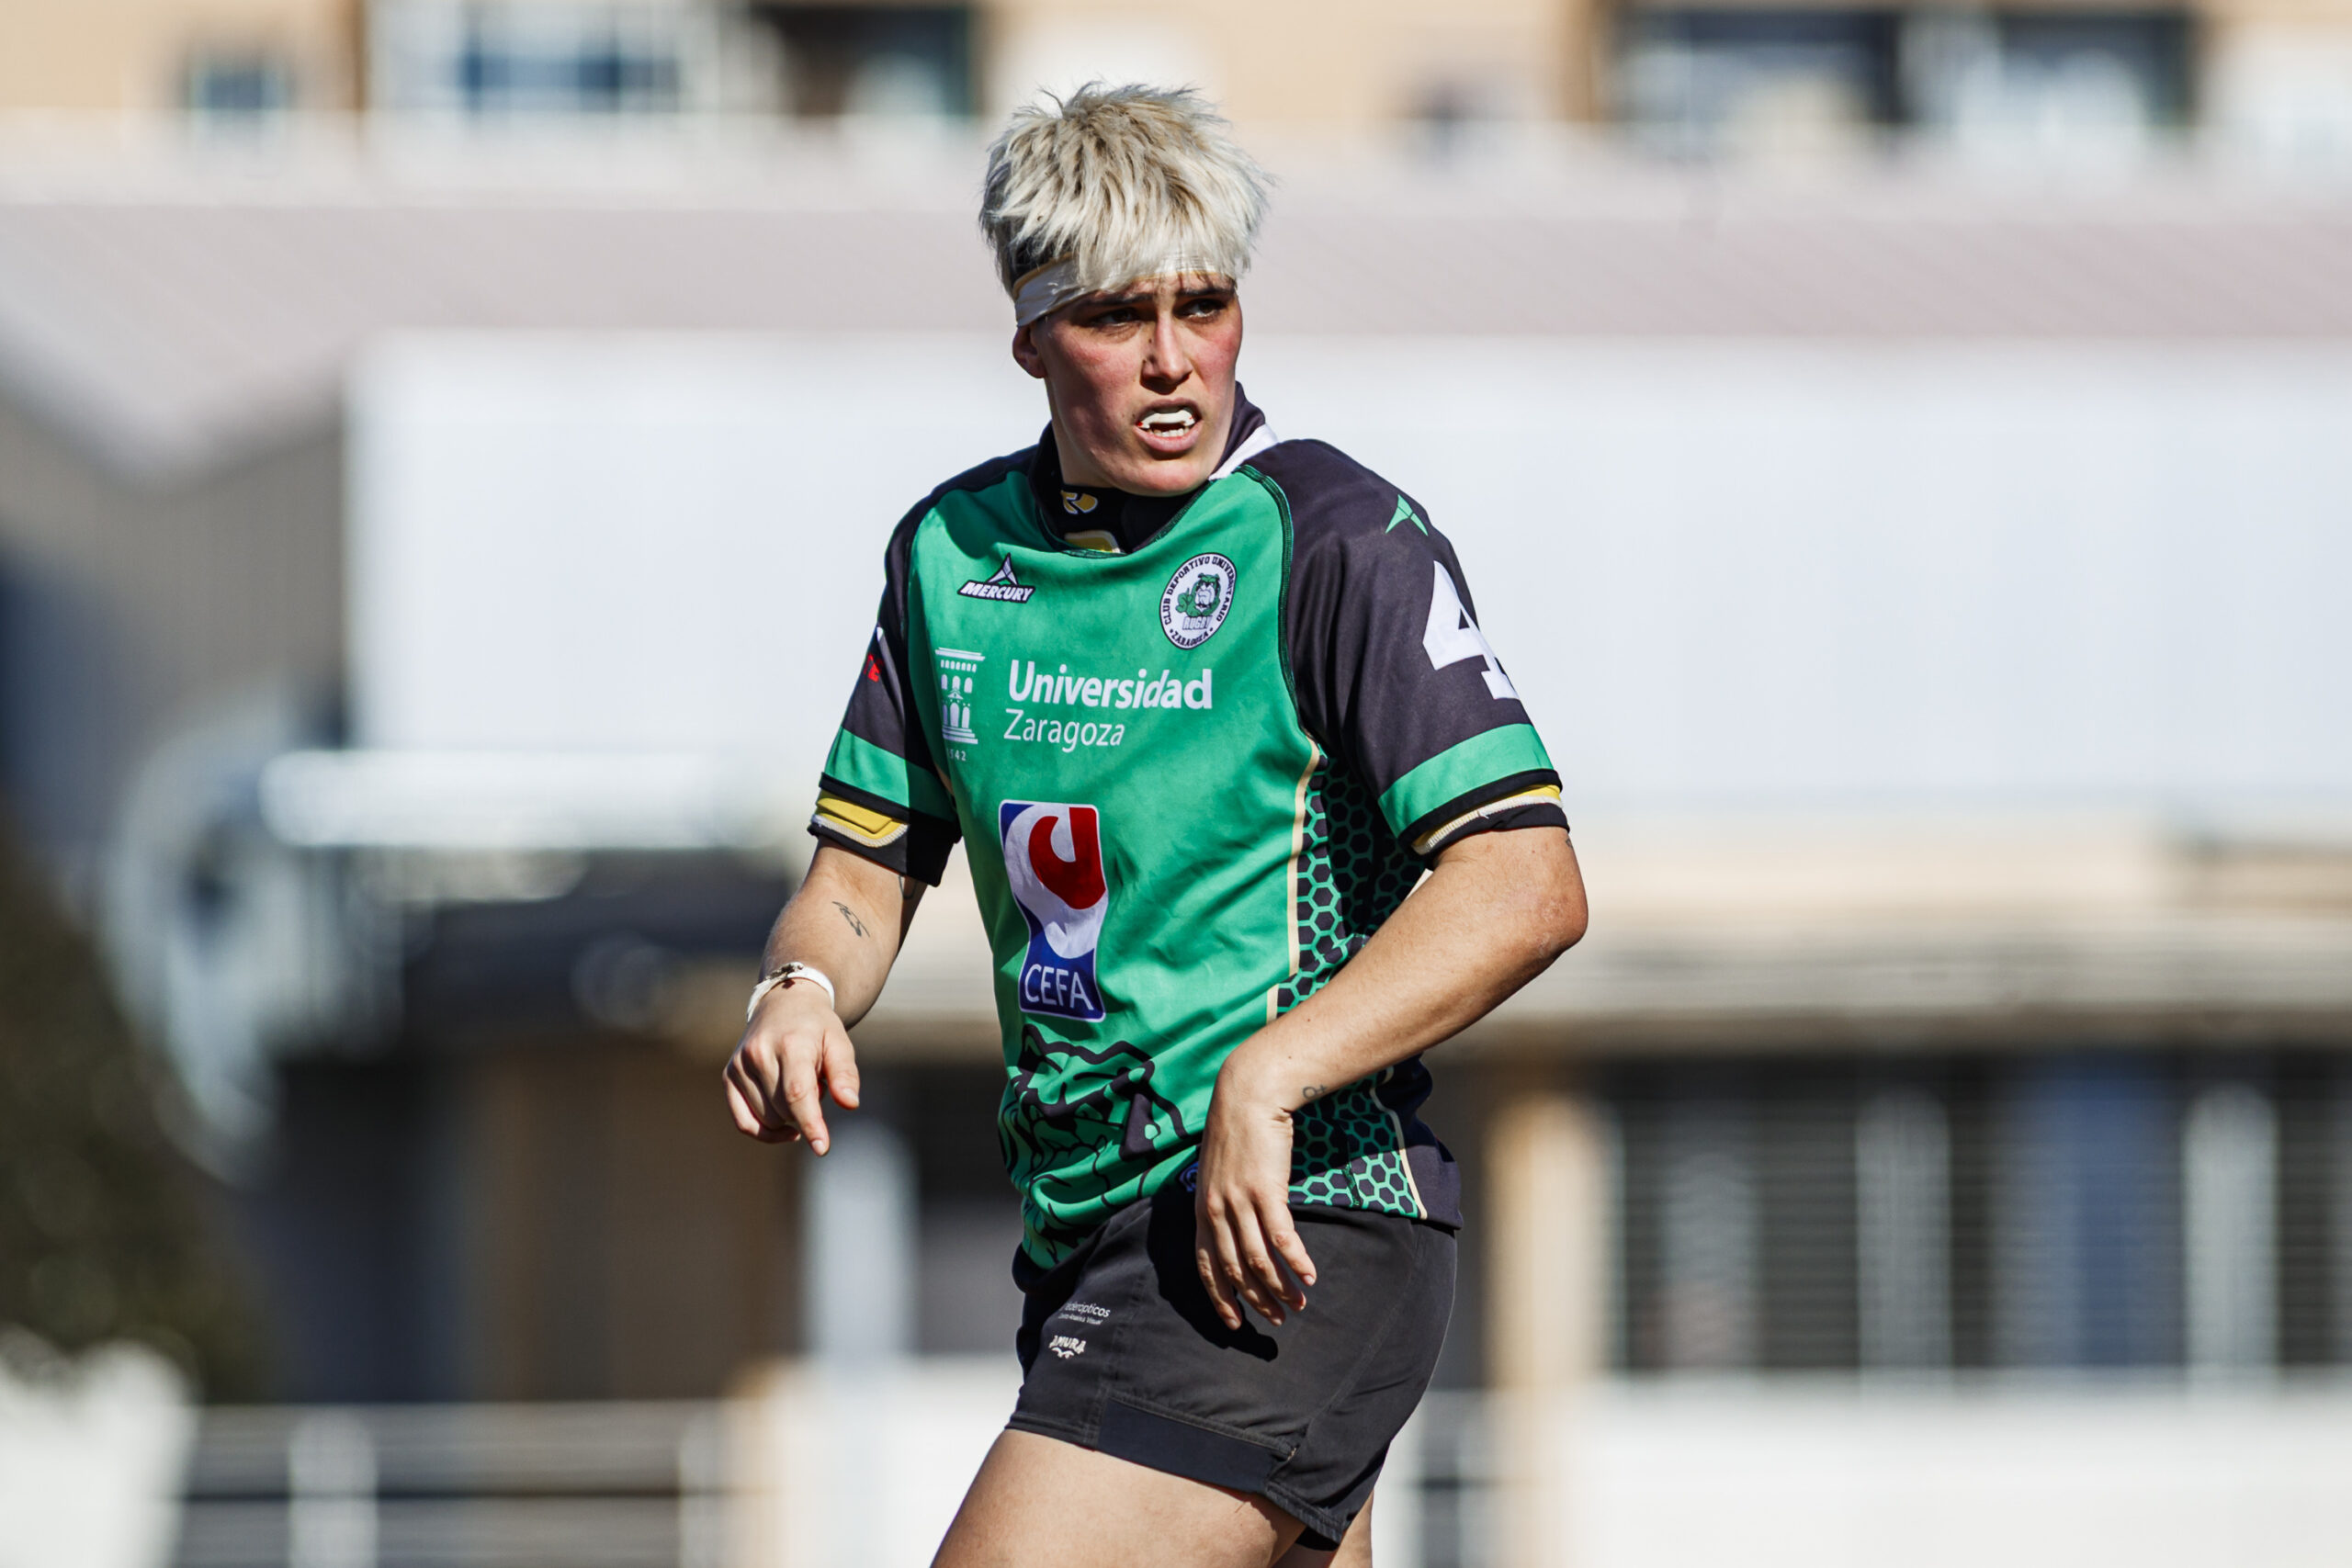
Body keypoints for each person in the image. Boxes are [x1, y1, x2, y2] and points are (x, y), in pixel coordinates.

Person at [723, 85, 1588, 1568]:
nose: (1175, 360)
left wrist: (1270, 1075)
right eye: (1120, 317)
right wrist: (800, 987)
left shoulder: (1334, 538)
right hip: (1081, 1232)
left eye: (1207, 305)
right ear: (1029, 335)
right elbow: (865, 866)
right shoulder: (950, 555)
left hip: (1292, 1213)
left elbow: (1525, 880)